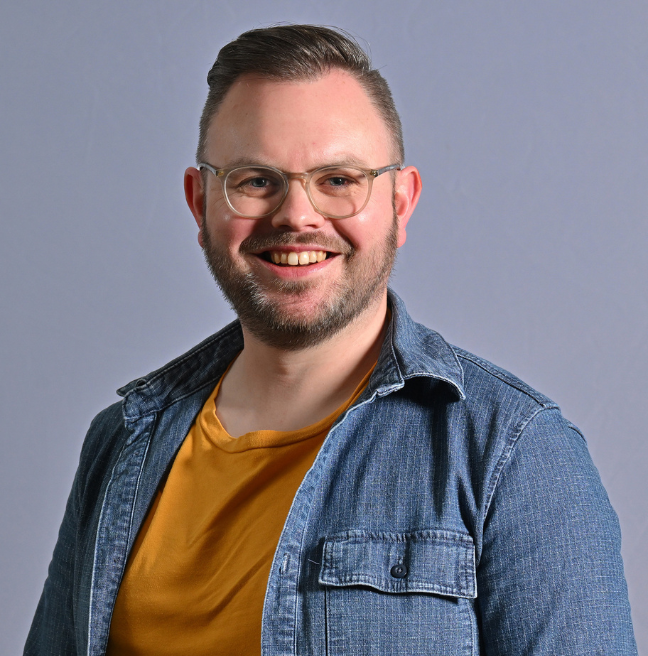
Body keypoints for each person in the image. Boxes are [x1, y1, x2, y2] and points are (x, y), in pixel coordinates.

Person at [25, 24, 637, 656]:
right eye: (256, 180)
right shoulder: (124, 439)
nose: (296, 215)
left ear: (401, 203)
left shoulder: (514, 455)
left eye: (339, 180)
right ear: (199, 201)